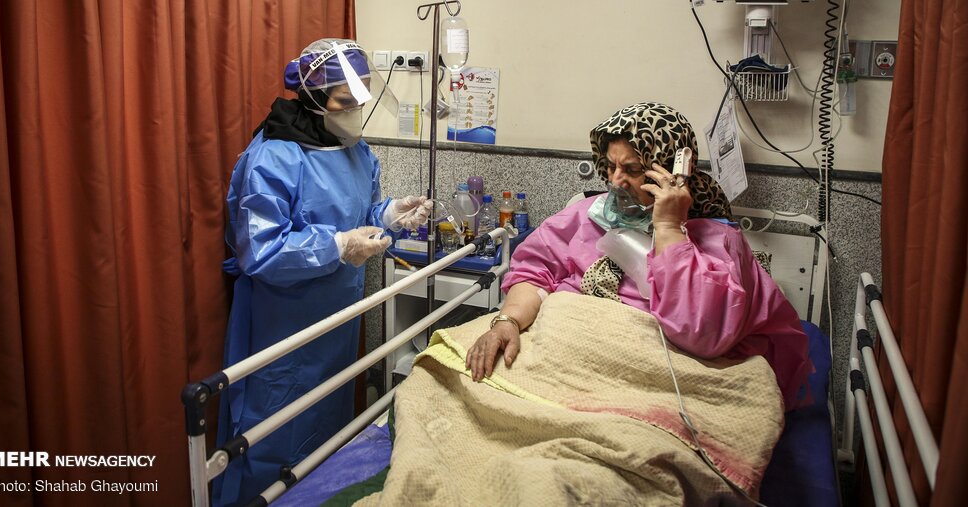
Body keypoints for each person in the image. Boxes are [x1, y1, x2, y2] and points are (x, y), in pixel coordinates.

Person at [466, 102, 813, 410]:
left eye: (632, 170)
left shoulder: (718, 239)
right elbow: (534, 272)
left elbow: (702, 334)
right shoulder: (586, 216)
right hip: (569, 354)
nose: (616, 181)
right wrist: (509, 321)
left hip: (650, 378)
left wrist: (669, 228)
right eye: (611, 166)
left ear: (673, 172)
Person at [213, 39, 432, 506]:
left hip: (336, 321)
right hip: (283, 326)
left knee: (326, 429)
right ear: (314, 97)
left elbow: (359, 212)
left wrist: (390, 214)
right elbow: (260, 250)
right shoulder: (275, 157)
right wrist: (336, 246)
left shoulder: (354, 149)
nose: (354, 110)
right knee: (274, 433)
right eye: (344, 101)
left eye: (360, 98)